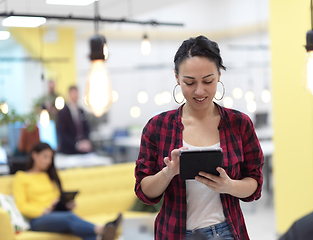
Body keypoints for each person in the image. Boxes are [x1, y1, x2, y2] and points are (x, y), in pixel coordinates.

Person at [134, 36, 264, 240]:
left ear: (219, 74)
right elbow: (145, 192)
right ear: (177, 77)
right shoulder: (157, 127)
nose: (199, 91)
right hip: (175, 233)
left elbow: (254, 182)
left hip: (227, 231)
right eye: (189, 82)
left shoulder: (239, 123)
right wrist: (168, 172)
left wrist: (229, 186)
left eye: (208, 81)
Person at [13, 142, 122, 240]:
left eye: (50, 158)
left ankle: (100, 236)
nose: (48, 161)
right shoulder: (22, 177)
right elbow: (21, 205)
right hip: (38, 219)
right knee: (69, 217)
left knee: (81, 231)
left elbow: (57, 198)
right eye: (45, 157)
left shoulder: (51, 176)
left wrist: (65, 205)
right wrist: (43, 210)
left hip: (57, 215)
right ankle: (103, 229)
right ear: (34, 155)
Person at [57, 85, 92, 154]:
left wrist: (85, 141)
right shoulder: (63, 113)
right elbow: (63, 133)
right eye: (73, 93)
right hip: (69, 149)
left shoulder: (80, 110)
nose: (76, 96)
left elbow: (86, 128)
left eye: (77, 93)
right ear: (69, 94)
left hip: (83, 148)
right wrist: (76, 144)